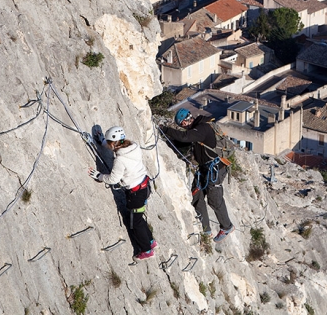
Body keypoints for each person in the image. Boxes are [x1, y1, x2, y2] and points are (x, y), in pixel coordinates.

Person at [162, 109, 234, 242]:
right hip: (205, 168)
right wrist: (166, 142)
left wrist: (165, 130)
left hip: (215, 168)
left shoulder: (203, 128)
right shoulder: (196, 130)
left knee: (214, 199)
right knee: (196, 194)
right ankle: (206, 229)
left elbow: (185, 137)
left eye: (182, 125)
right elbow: (183, 141)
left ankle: (226, 226)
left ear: (185, 121)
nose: (182, 127)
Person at [89, 126, 156, 261]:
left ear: (114, 143)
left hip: (135, 194)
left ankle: (147, 250)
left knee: (135, 223)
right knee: (139, 217)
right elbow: (112, 146)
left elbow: (113, 179)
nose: (108, 145)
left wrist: (99, 176)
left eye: (109, 143)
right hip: (145, 185)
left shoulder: (120, 160)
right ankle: (150, 241)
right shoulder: (134, 146)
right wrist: (102, 140)